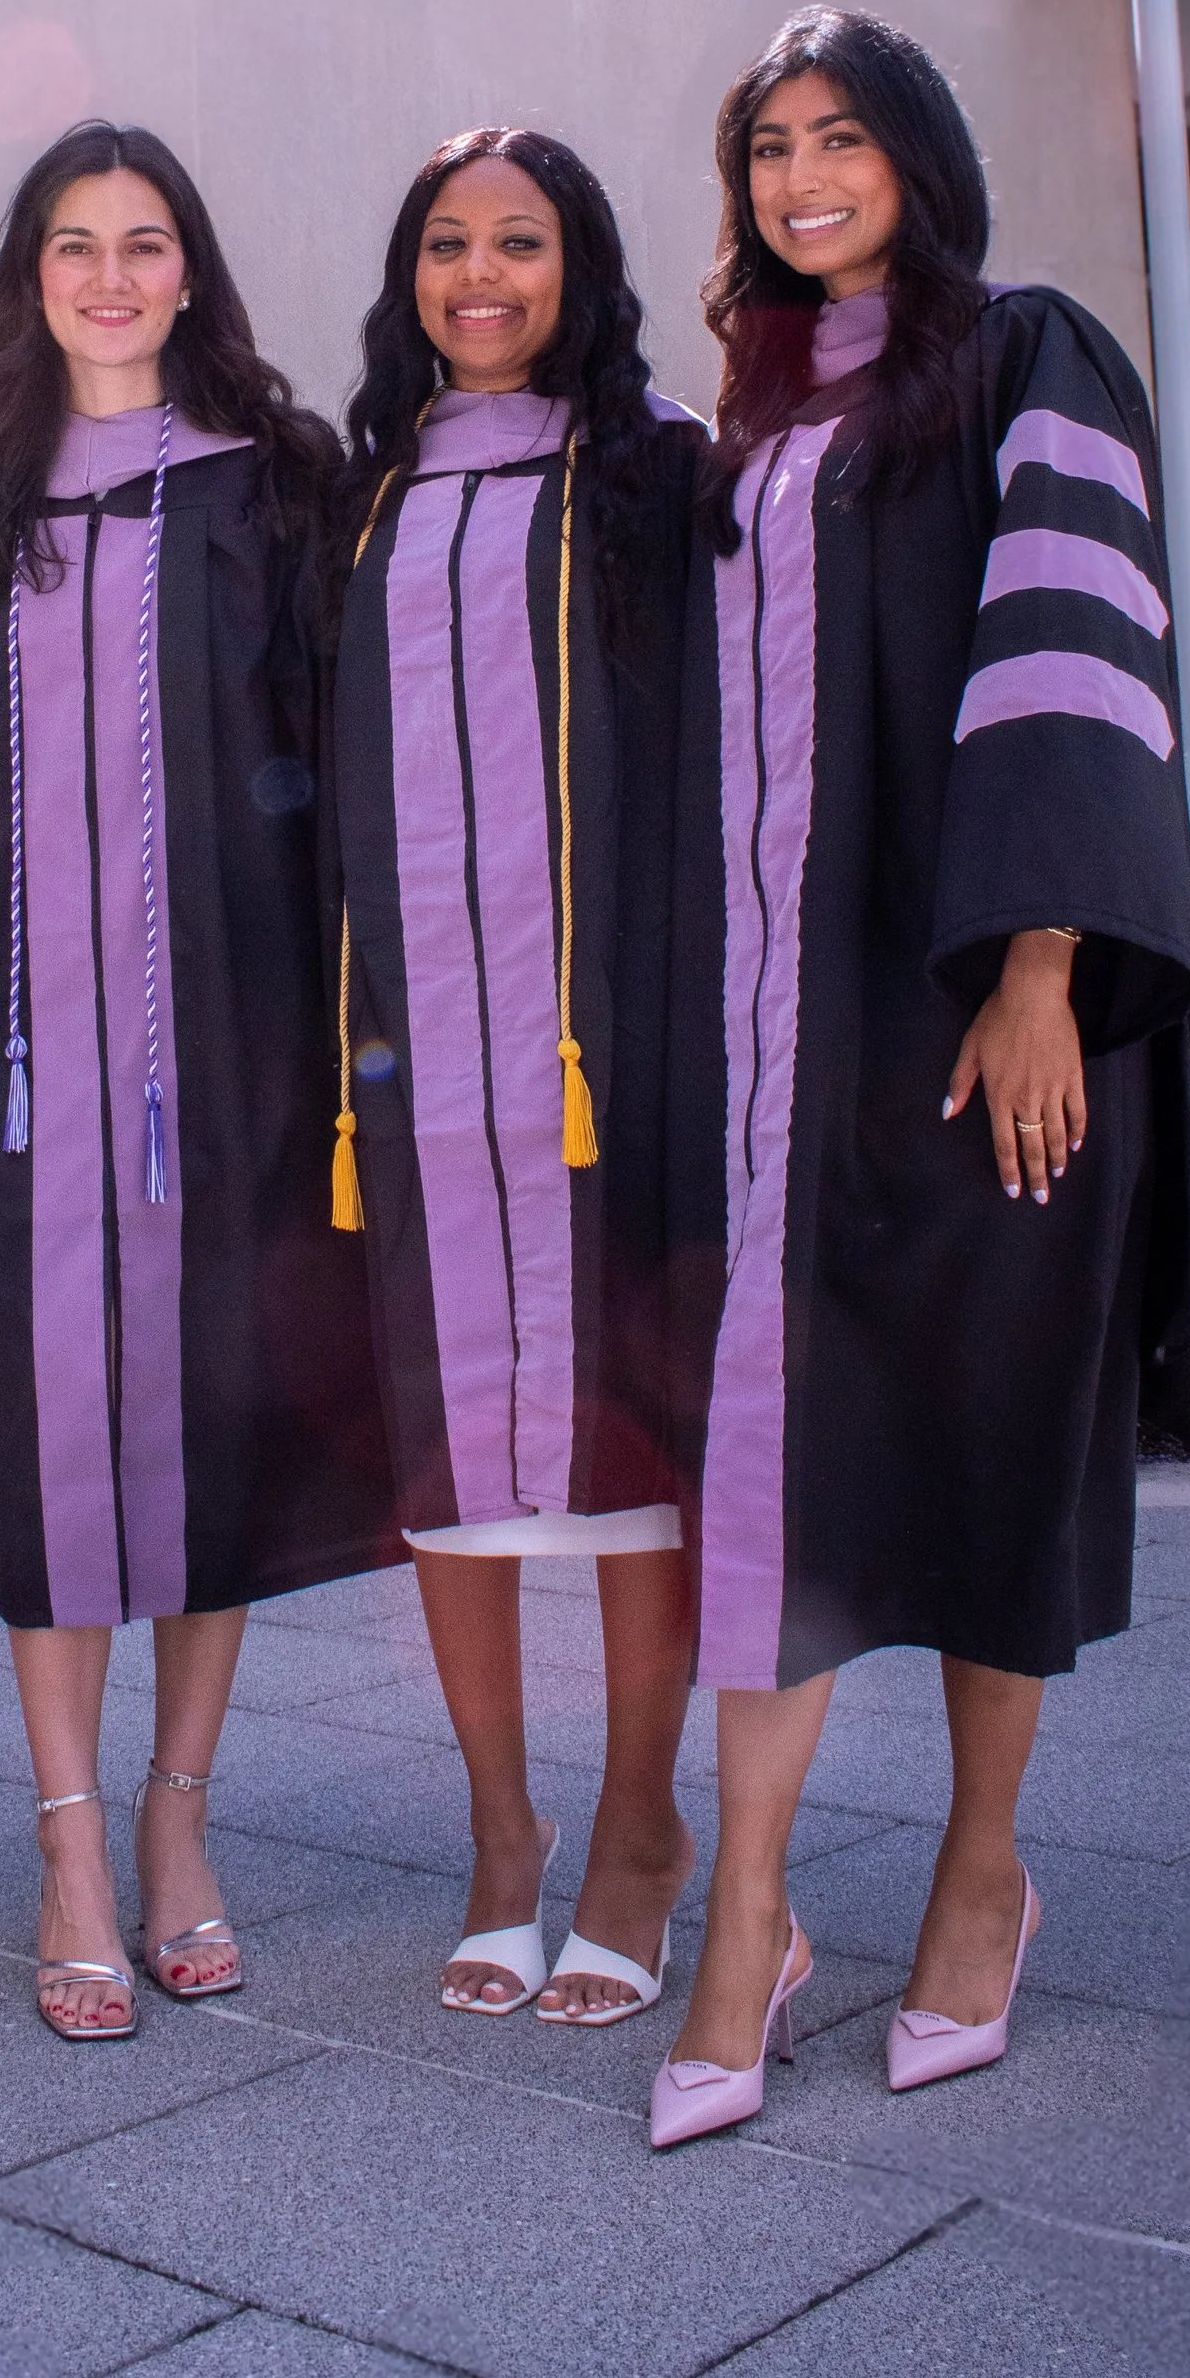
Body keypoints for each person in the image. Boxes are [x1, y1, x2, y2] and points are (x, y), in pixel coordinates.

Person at [649, 9, 1190, 2150]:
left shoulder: (1022, 355)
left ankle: (980, 1876)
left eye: (837, 139)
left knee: (988, 1437)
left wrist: (1041, 966)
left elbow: (1075, 654)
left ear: (913, 157)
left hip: (982, 1010)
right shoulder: (742, 422)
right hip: (771, 1040)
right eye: (766, 148)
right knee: (766, 1463)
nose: (801, 177)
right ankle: (748, 1921)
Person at [0, 121, 398, 2040]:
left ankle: (178, 1819)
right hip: (17, 1069)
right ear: (30, 274)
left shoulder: (277, 490)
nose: (110, 275)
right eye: (73, 244)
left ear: (190, 268)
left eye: (143, 243)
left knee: (215, 1420)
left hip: (236, 1044)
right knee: (49, 1445)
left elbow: (344, 762)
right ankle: (65, 1840)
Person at [330, 131, 703, 2028]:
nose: (482, 275)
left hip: (606, 1039)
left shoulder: (651, 469)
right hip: (410, 1055)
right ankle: (499, 1831)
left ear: (584, 263)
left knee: (636, 1459)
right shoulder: (364, 489)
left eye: (522, 242)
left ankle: (640, 1830)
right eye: (448, 243)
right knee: (449, 1457)